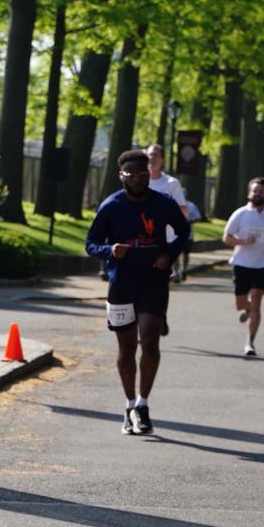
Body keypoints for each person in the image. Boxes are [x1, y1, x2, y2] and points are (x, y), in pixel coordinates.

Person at [85, 149, 190, 435]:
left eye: (142, 174)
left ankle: (143, 405)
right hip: (121, 284)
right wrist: (110, 250)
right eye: (130, 174)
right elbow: (90, 244)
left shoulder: (163, 203)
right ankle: (129, 404)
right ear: (121, 175)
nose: (136, 179)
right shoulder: (111, 206)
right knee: (126, 349)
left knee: (151, 343)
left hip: (154, 281)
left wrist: (168, 254)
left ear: (148, 175)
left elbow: (184, 232)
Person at [222, 177, 264, 357]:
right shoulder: (240, 214)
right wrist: (243, 241)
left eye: (261, 191)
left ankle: (250, 342)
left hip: (262, 266)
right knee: (240, 303)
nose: (257, 194)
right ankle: (246, 308)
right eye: (255, 191)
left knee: (256, 298)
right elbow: (226, 237)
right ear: (249, 193)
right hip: (241, 264)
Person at [146, 143, 190, 281]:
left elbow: (184, 211)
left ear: (162, 159)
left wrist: (163, 213)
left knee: (159, 281)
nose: (152, 158)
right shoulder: (139, 181)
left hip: (164, 240)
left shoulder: (171, 183)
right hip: (142, 239)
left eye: (155, 155)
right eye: (150, 155)